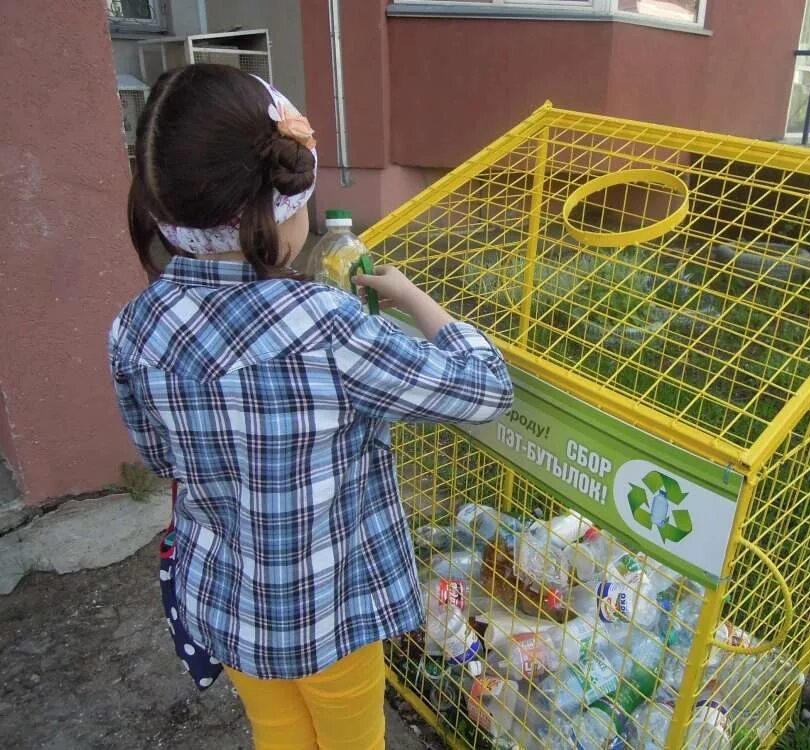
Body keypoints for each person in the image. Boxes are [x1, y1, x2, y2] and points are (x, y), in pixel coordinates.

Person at [108, 64, 514, 750]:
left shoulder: (134, 327)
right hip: (330, 614)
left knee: (278, 733)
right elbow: (485, 388)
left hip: (227, 603)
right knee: (352, 735)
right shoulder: (328, 327)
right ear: (282, 206)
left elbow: (159, 455)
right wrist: (416, 299)